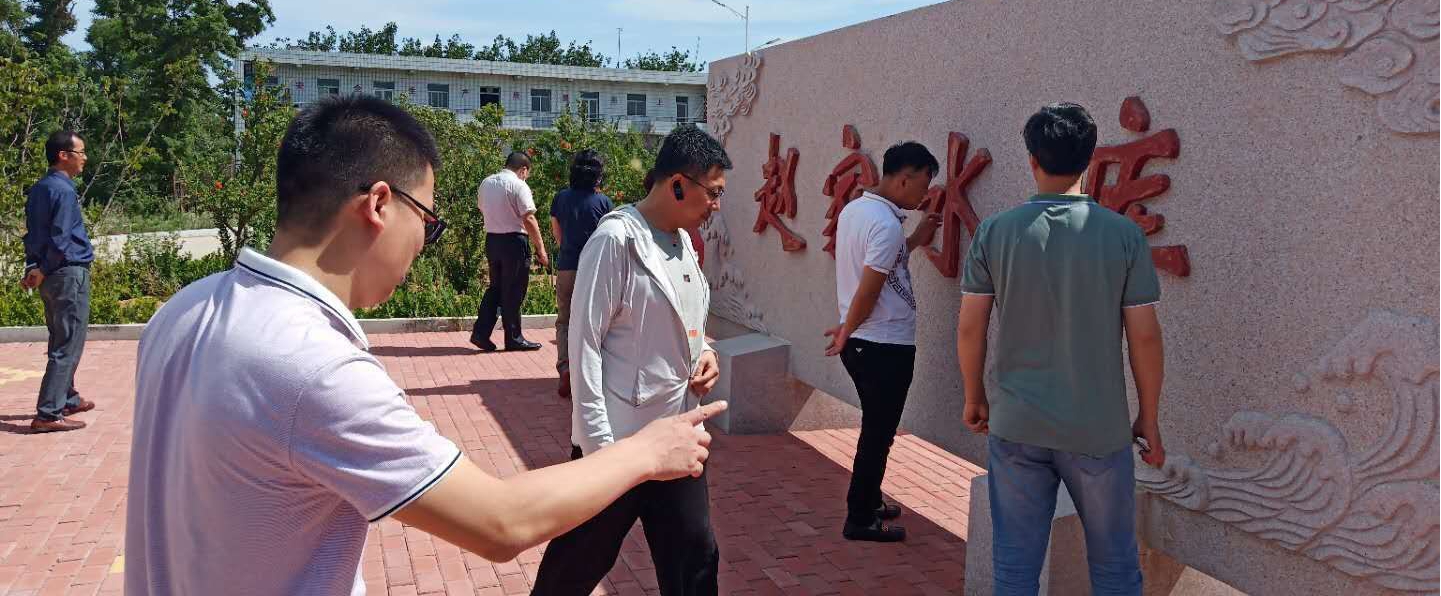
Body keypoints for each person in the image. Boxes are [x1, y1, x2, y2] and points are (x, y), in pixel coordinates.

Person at [124, 95, 726, 595]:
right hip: (636, 435)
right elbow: (500, 522)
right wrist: (645, 451)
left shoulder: (184, 309)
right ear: (379, 204)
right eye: (428, 221)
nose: (422, 244)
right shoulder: (314, 367)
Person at [956, 102, 1166, 595]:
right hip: (1098, 429)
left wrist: (974, 396)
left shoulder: (995, 232)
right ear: (1090, 160)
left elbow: (970, 329)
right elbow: (1145, 336)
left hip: (1016, 425)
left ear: (1032, 159)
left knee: (1014, 572)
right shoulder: (1123, 236)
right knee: (1115, 571)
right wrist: (1149, 417)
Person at [531, 125, 728, 596]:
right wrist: (599, 451)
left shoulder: (684, 243)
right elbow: (584, 344)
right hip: (618, 443)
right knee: (575, 565)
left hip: (676, 440)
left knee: (696, 560)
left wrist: (705, 352)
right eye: (713, 193)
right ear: (678, 184)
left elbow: (687, 322)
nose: (716, 206)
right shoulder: (616, 240)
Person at [824, 142, 941, 542]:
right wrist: (846, 330)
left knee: (876, 429)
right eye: (923, 184)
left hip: (865, 342)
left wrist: (916, 239)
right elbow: (870, 289)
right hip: (882, 344)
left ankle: (870, 501)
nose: (924, 195)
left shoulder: (857, 210)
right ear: (904, 178)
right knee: (878, 433)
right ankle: (859, 518)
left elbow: (880, 263)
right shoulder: (887, 224)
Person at [21, 130, 96, 433]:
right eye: (81, 152)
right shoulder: (64, 191)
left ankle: (67, 398)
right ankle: (49, 413)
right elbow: (60, 238)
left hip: (51, 276)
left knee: (61, 337)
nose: (84, 158)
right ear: (63, 156)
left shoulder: (40, 189)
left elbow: (33, 235)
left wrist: (34, 267)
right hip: (67, 273)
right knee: (68, 344)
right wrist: (44, 267)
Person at [550, 149, 614, 400]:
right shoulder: (604, 203)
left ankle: (565, 367)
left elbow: (557, 233)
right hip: (595, 270)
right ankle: (591, 374)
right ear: (598, 176)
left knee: (565, 320)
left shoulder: (561, 198)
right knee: (596, 323)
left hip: (568, 266)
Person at [471, 151, 549, 352]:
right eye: (527, 173)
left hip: (492, 240)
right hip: (514, 242)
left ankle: (481, 333)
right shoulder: (518, 185)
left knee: (496, 288)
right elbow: (529, 218)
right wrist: (541, 248)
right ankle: (514, 338)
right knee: (513, 290)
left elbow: (482, 208)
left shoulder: (486, 183)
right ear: (523, 169)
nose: (526, 177)